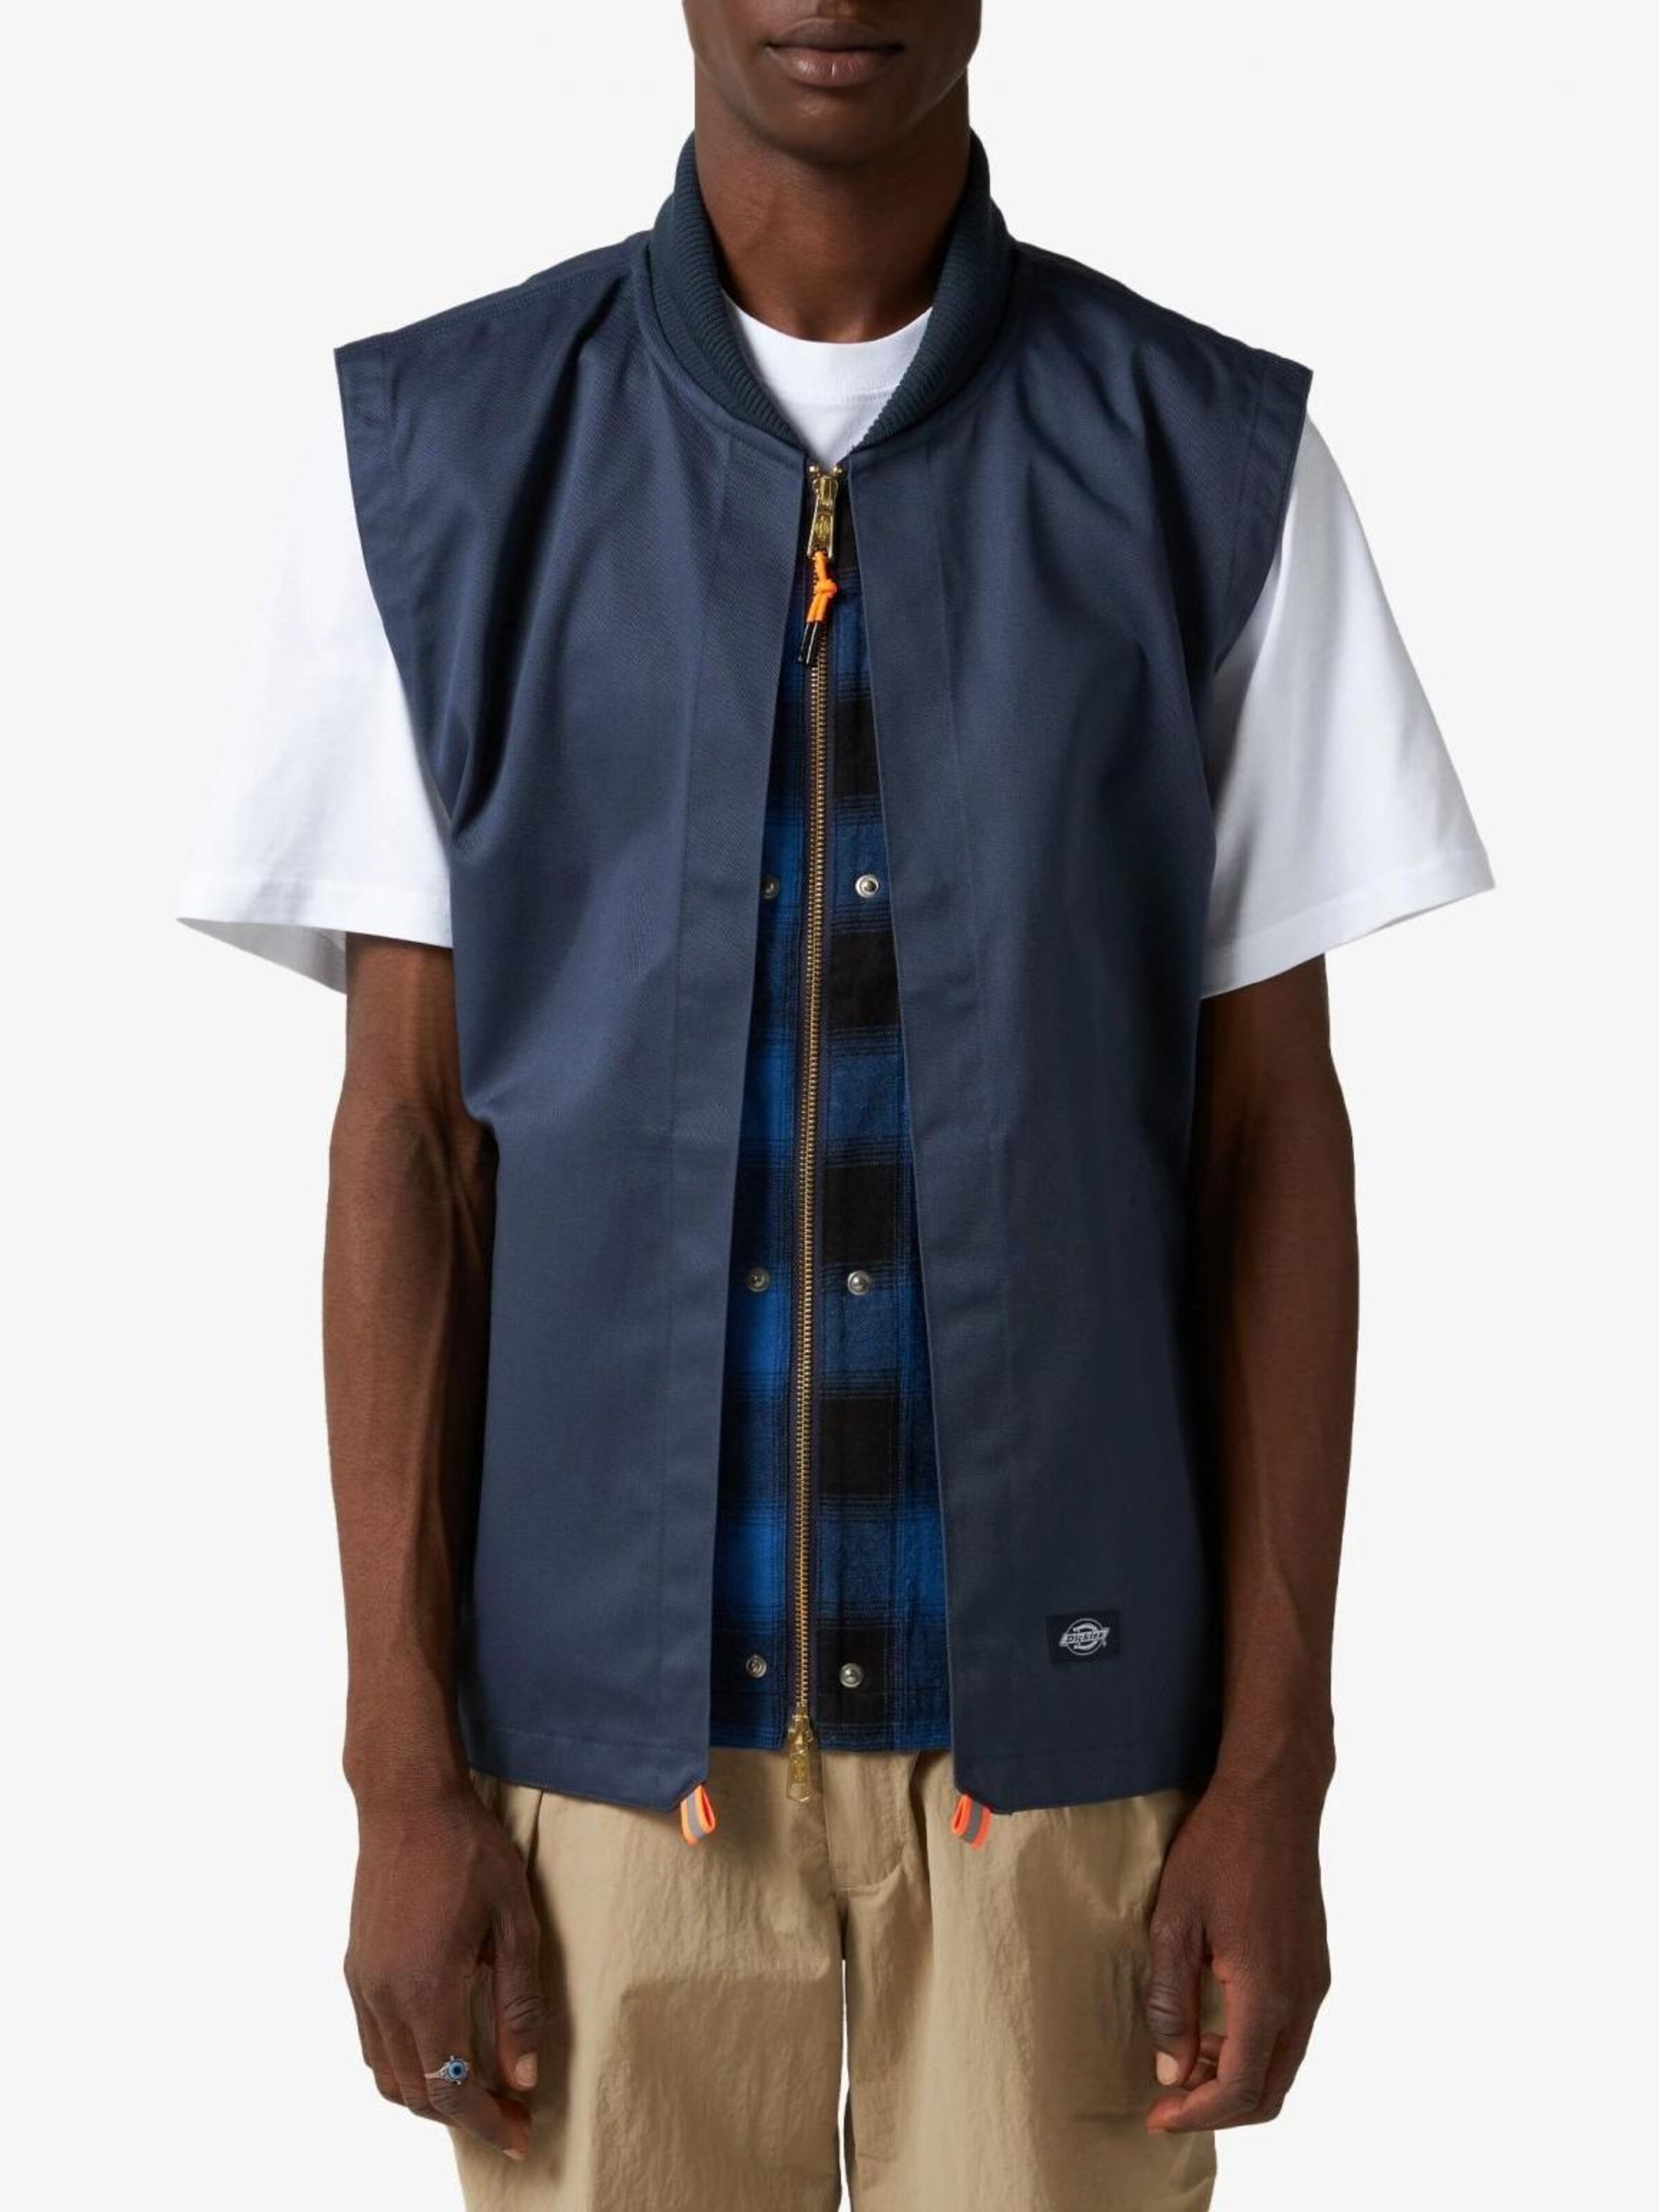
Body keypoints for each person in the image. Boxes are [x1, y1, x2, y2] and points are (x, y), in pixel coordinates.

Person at [178, 3, 1492, 2204]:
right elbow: (406, 1147)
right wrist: (399, 1775)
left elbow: (1276, 1148)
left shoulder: (1211, 462)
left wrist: (1279, 1773)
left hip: (1069, 1764)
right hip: (601, 1781)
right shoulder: (440, 463)